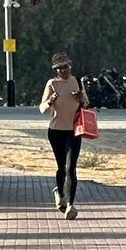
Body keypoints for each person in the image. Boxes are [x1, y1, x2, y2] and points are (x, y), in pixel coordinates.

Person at [40, 53, 87, 218]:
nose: (64, 70)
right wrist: (50, 101)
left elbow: (87, 104)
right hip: (55, 131)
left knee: (71, 168)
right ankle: (60, 194)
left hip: (74, 130)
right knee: (61, 167)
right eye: (60, 68)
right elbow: (41, 108)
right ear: (56, 70)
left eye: (66, 66)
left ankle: (71, 206)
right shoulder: (52, 84)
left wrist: (81, 98)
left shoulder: (76, 81)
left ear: (70, 66)